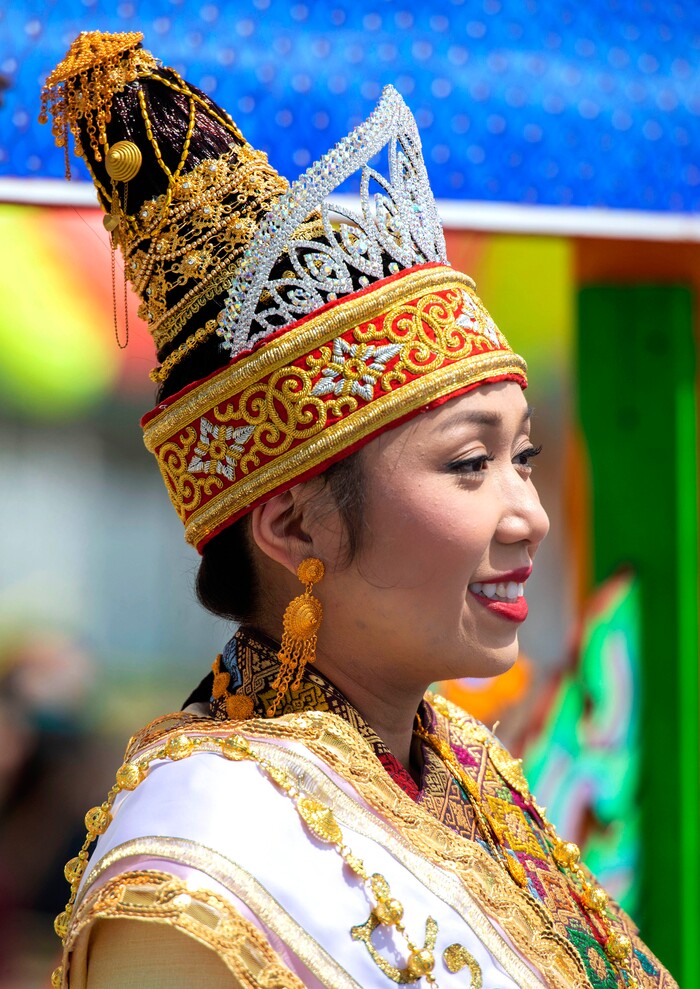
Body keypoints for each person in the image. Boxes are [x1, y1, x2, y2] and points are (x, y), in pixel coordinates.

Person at [40, 31, 676, 989]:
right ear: (294, 524)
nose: (530, 514)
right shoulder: (201, 866)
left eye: (525, 456)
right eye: (470, 463)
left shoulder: (461, 765)